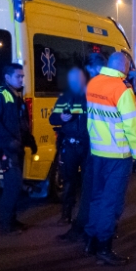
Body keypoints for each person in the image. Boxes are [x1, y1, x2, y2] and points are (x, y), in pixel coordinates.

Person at [84, 51, 136, 266]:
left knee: (96, 199)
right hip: (117, 155)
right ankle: (104, 248)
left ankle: (90, 242)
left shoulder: (93, 83)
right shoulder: (122, 90)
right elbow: (131, 126)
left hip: (97, 151)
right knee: (111, 203)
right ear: (125, 67)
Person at [58, 52, 106, 244]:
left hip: (92, 146)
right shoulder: (73, 94)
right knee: (72, 184)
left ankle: (94, 229)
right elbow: (58, 115)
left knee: (93, 188)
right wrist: (63, 116)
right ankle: (70, 217)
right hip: (75, 145)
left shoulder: (98, 90)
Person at [0, 62, 38, 235]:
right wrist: (9, 142)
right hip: (6, 148)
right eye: (19, 76)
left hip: (17, 147)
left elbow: (22, 123)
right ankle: (5, 224)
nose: (22, 79)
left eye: (22, 76)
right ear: (7, 77)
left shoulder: (16, 95)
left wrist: (30, 141)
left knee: (15, 187)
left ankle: (12, 220)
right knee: (12, 187)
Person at [49, 66, 89, 225]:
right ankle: (66, 215)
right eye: (72, 80)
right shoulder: (64, 98)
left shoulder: (92, 97)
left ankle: (85, 216)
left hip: (88, 145)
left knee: (88, 182)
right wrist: (61, 118)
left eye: (77, 79)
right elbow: (52, 119)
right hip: (70, 145)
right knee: (69, 181)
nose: (74, 82)